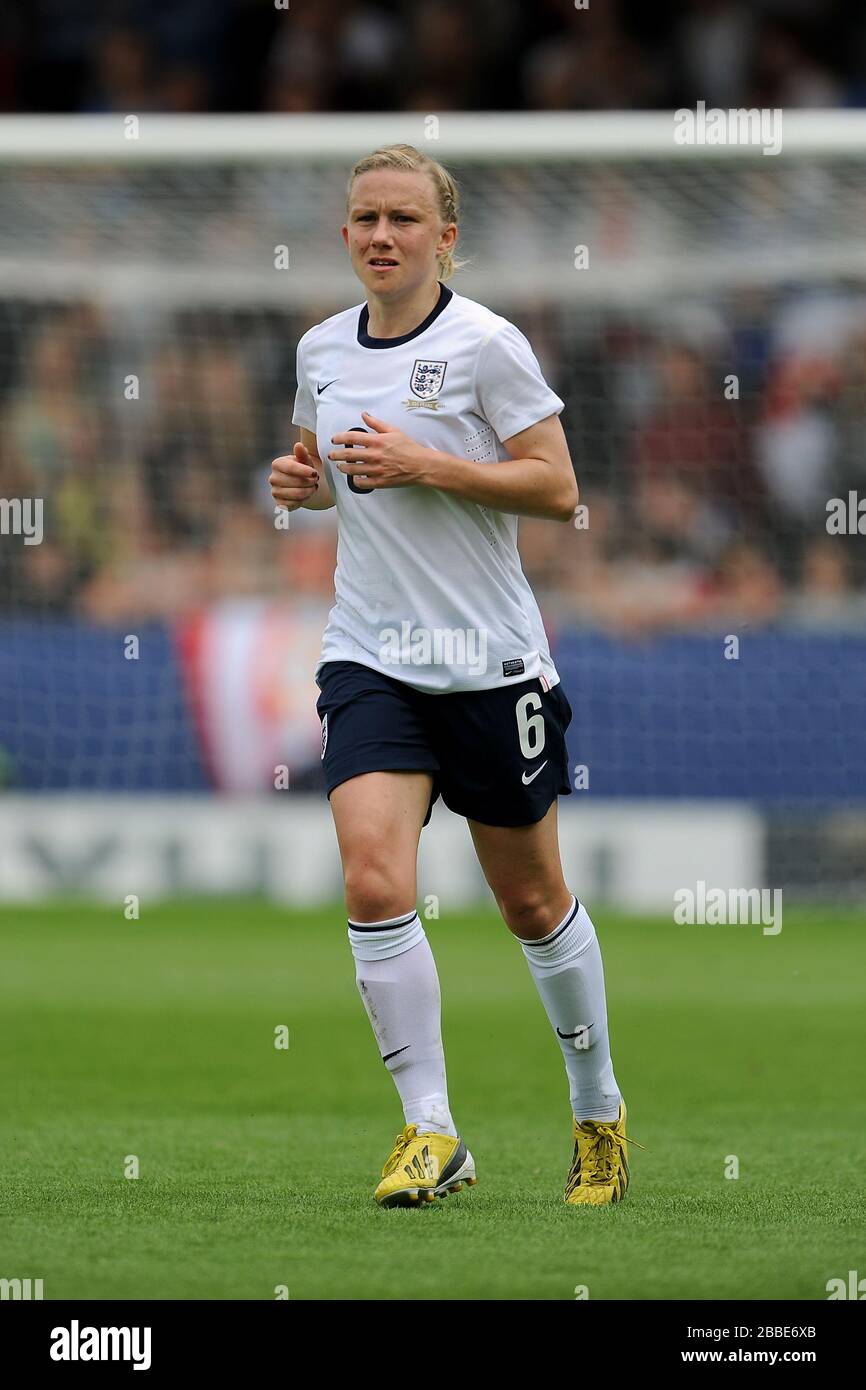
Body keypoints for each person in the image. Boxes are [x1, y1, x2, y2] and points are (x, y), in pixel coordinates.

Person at [270, 144, 637, 1208]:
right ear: (343, 235)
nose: (381, 235)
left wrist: (430, 462)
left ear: (445, 236)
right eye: (364, 218)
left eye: (403, 218)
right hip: (369, 654)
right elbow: (325, 474)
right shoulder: (321, 350)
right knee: (373, 880)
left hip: (488, 665)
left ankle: (596, 1108)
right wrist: (301, 481)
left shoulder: (487, 346)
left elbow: (557, 486)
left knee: (529, 901)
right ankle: (429, 1129)